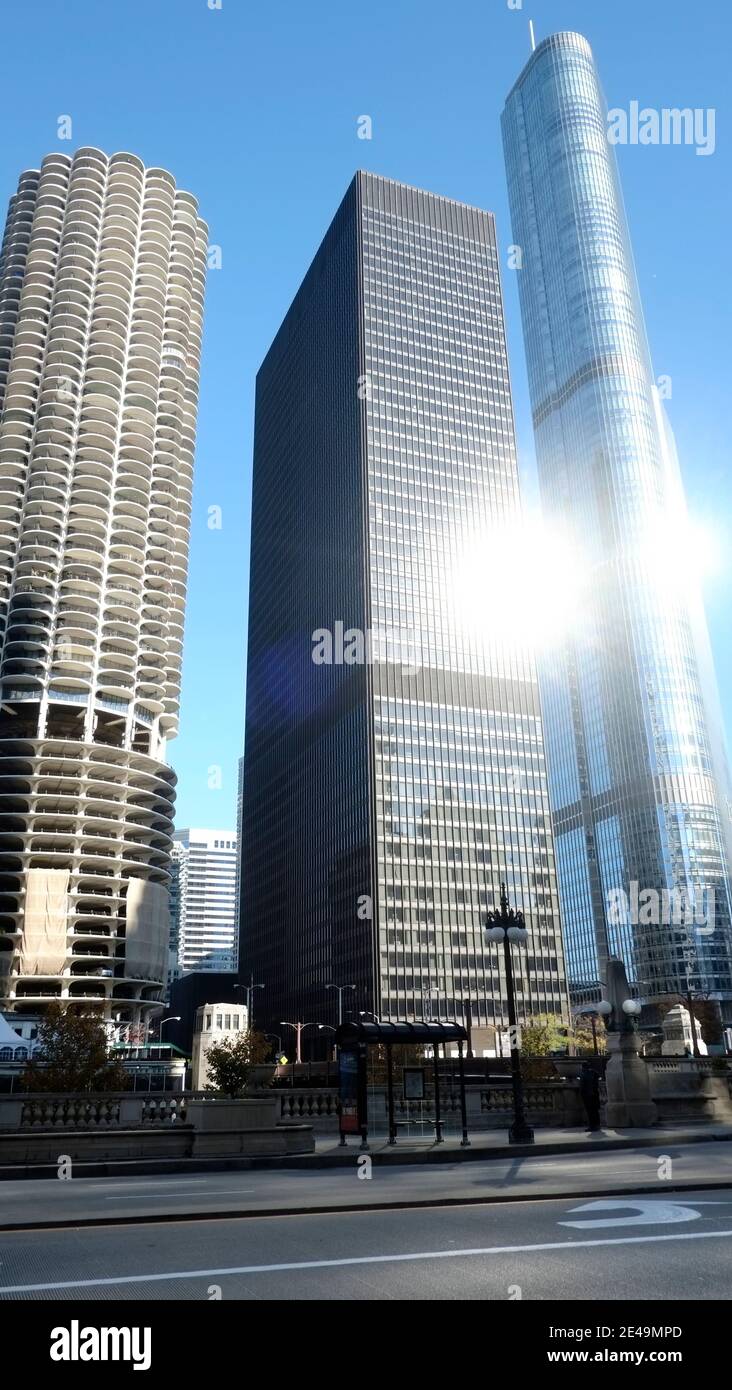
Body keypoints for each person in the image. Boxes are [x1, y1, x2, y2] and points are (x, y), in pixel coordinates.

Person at [579, 1061, 602, 1132]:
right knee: (595, 1111)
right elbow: (599, 1077)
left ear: (583, 1067)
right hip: (595, 1094)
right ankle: (597, 1125)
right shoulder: (594, 1073)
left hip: (587, 1095)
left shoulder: (583, 1074)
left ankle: (592, 1126)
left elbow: (582, 1086)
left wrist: (582, 1094)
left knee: (590, 1111)